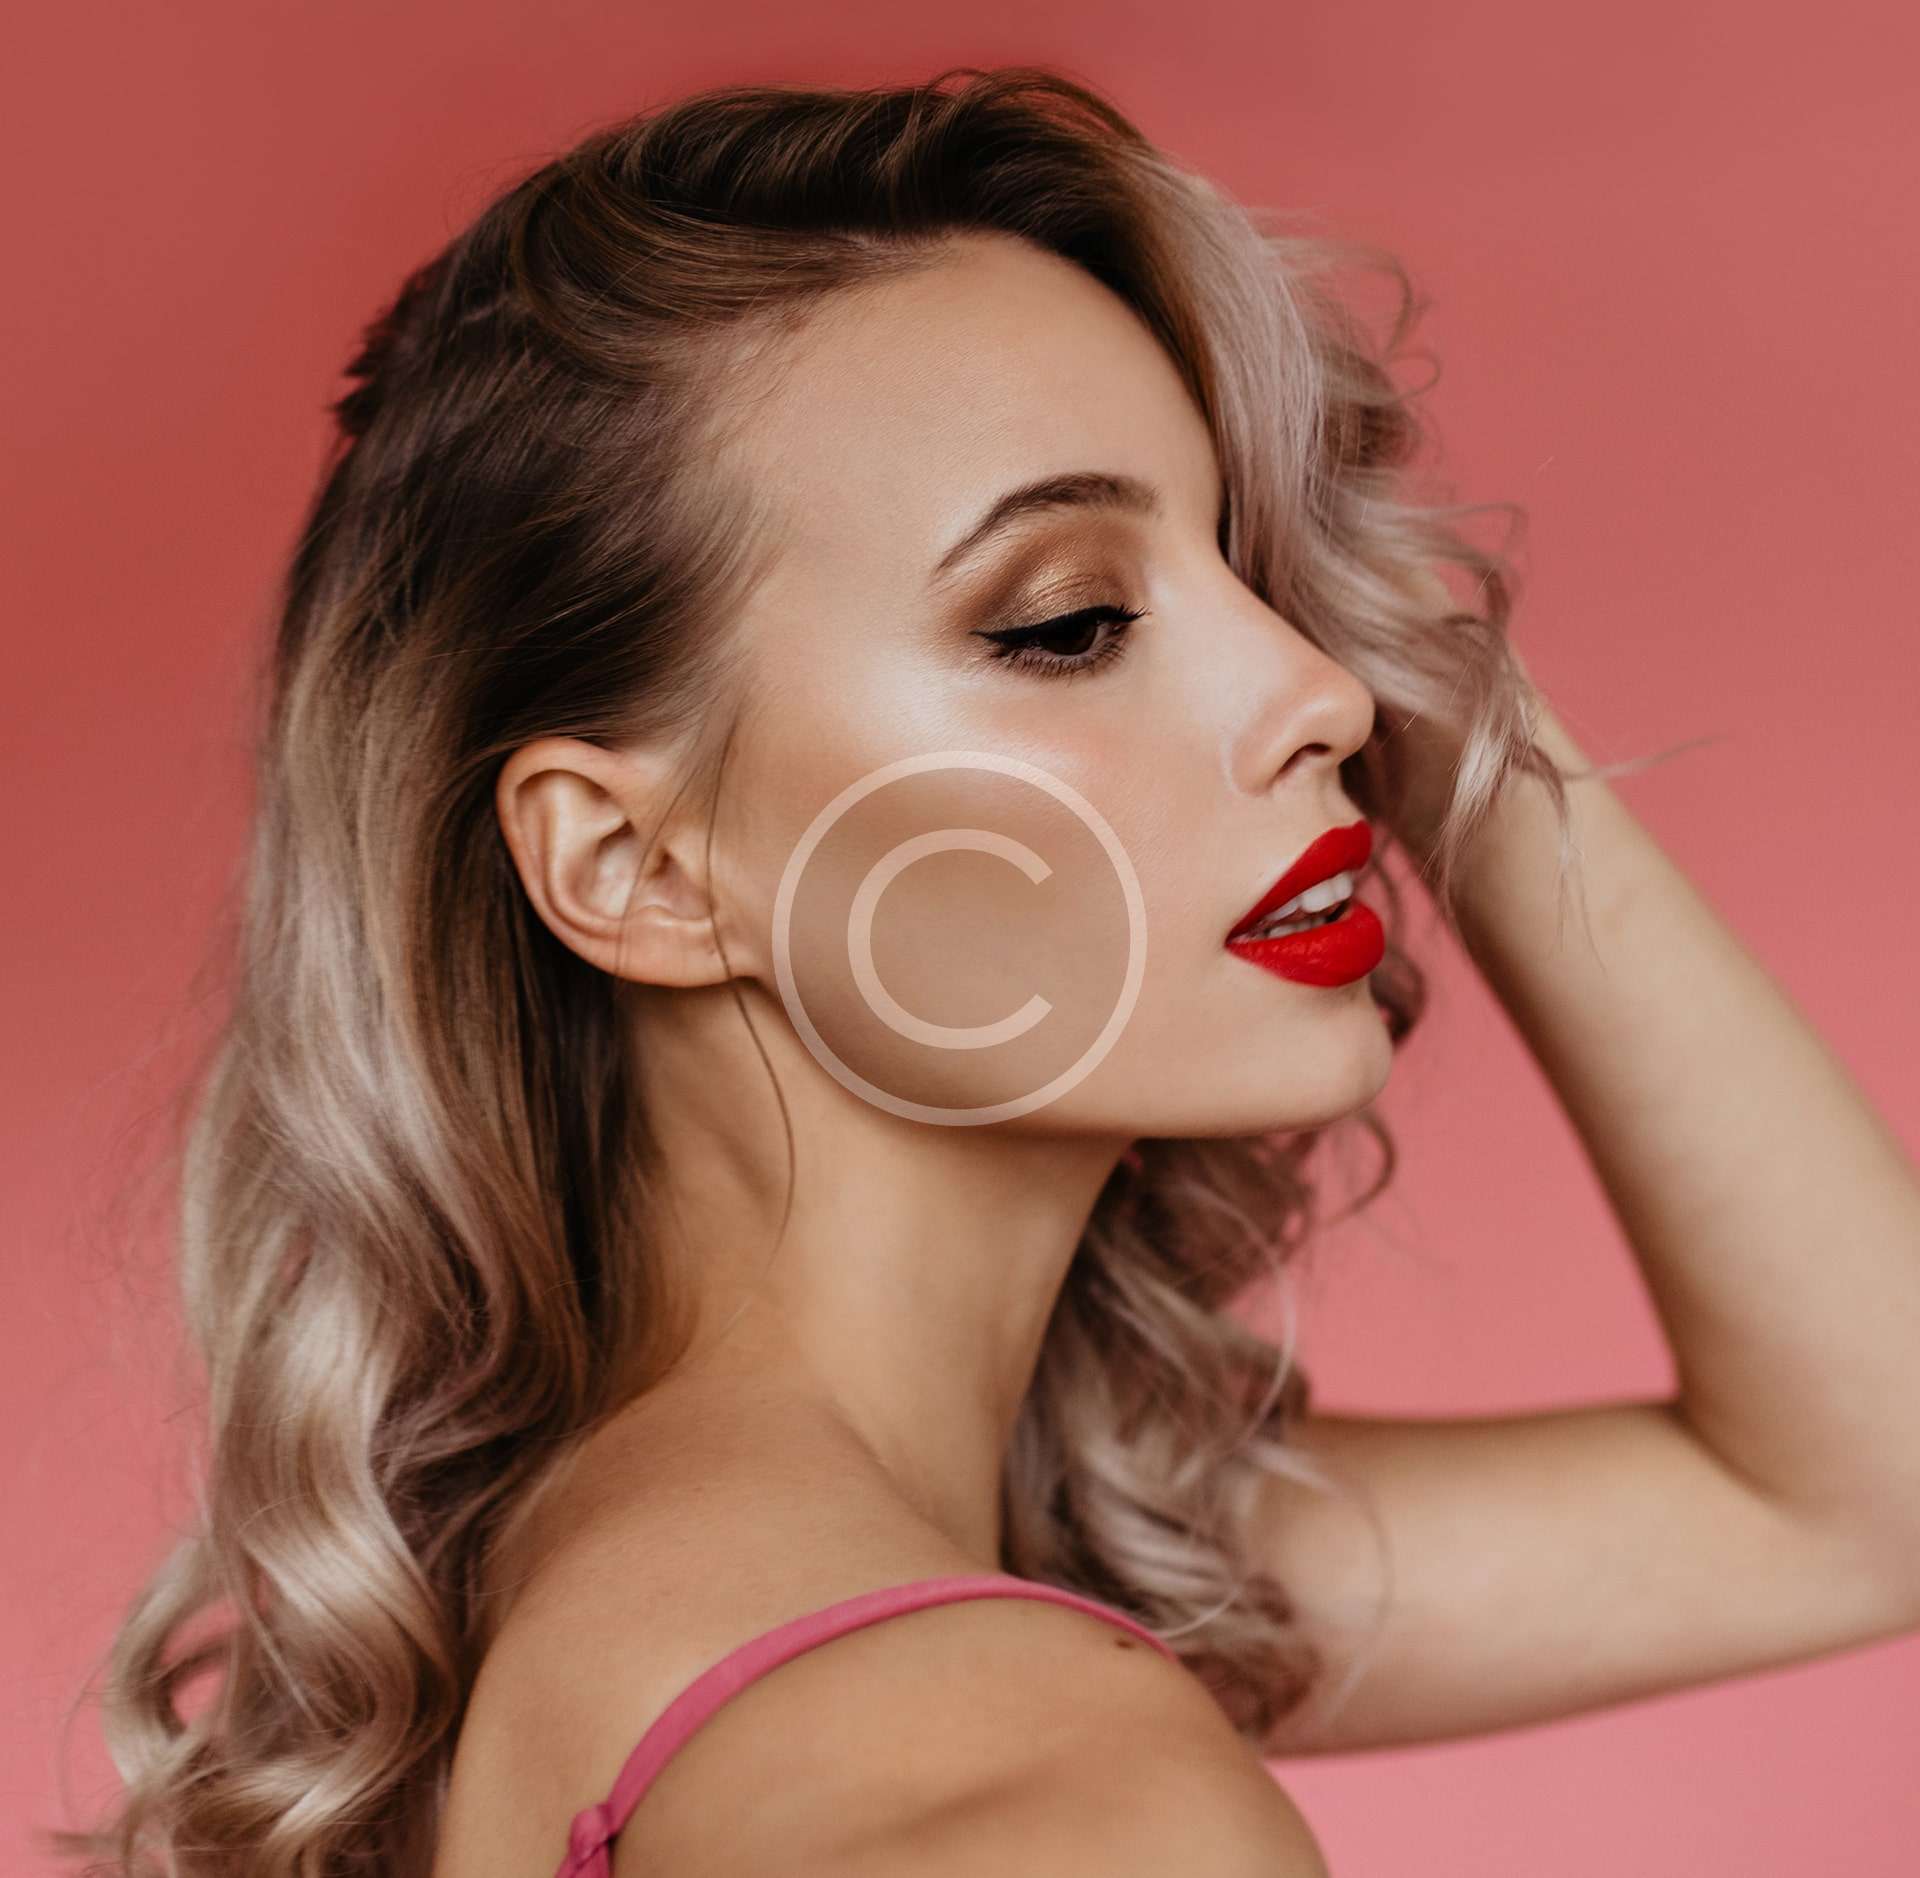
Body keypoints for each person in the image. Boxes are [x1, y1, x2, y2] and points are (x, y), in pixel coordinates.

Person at [61, 64, 1920, 1878]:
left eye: (1260, 569)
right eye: (1069, 620)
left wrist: (1431, 673)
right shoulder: (1050, 1801)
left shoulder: (576, 1580)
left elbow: (1869, 1487)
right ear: (637, 866)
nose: (1328, 692)